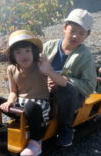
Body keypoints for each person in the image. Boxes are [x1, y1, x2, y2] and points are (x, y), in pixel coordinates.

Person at [38, 9, 96, 148]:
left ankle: (66, 127)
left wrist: (63, 79)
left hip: (71, 96)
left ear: (87, 35)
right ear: (64, 28)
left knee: (64, 88)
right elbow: (36, 69)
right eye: (72, 30)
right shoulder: (48, 46)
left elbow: (89, 86)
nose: (75, 36)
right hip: (44, 90)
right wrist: (44, 80)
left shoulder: (85, 56)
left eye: (81, 33)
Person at [0, 30, 50, 156]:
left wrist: (49, 71)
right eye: (18, 52)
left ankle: (35, 141)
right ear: (13, 56)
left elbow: (52, 76)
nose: (24, 55)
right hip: (20, 104)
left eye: (27, 50)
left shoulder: (40, 65)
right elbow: (13, 91)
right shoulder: (11, 69)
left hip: (38, 106)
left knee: (31, 107)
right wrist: (9, 101)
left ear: (33, 52)